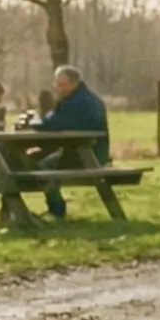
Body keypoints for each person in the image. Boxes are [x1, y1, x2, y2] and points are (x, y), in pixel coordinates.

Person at [34, 66, 112, 220]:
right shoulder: (83, 97)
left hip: (87, 156)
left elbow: (54, 123)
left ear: (73, 83)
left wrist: (35, 123)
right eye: (57, 84)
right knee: (39, 160)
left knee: (44, 166)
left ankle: (56, 211)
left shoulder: (76, 102)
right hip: (94, 153)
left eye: (61, 84)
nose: (57, 88)